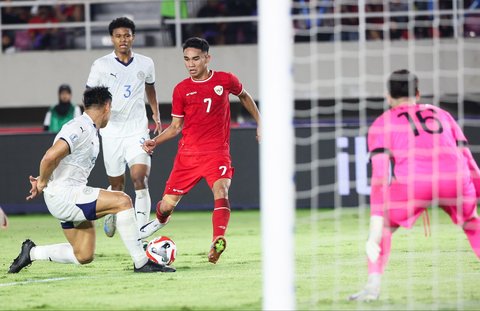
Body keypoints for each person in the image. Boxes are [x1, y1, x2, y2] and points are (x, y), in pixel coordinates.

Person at [7, 87, 175, 274]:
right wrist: (43, 182)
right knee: (123, 201)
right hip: (67, 196)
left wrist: (44, 179)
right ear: (107, 106)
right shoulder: (81, 127)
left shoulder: (87, 128)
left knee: (84, 255)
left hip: (65, 195)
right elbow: (49, 157)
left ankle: (31, 252)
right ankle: (142, 262)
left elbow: (59, 161)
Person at [349, 69, 480, 301]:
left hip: (414, 183)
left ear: (388, 96)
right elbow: (468, 160)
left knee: (386, 229)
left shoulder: (382, 123)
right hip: (456, 179)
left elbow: (380, 176)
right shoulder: (442, 114)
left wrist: (376, 225)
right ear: (418, 93)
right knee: (472, 223)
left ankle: (372, 287)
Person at [139, 37, 261, 264]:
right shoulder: (181, 90)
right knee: (165, 207)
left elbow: (244, 96)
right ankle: (161, 220)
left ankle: (218, 239)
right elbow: (176, 127)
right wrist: (156, 141)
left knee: (221, 191)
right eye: (186, 59)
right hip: (188, 156)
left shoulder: (225, 80)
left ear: (207, 58)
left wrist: (260, 122)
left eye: (196, 59)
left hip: (217, 152)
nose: (191, 64)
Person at [86, 17, 162, 238]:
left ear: (133, 37)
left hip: (137, 130)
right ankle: (111, 207)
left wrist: (155, 111)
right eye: (118, 36)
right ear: (112, 38)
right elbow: (89, 96)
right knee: (118, 186)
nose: (123, 40)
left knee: (140, 179)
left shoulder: (146, 63)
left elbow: (150, 87)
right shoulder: (101, 65)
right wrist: (92, 121)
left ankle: (140, 234)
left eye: (127, 35)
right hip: (111, 131)